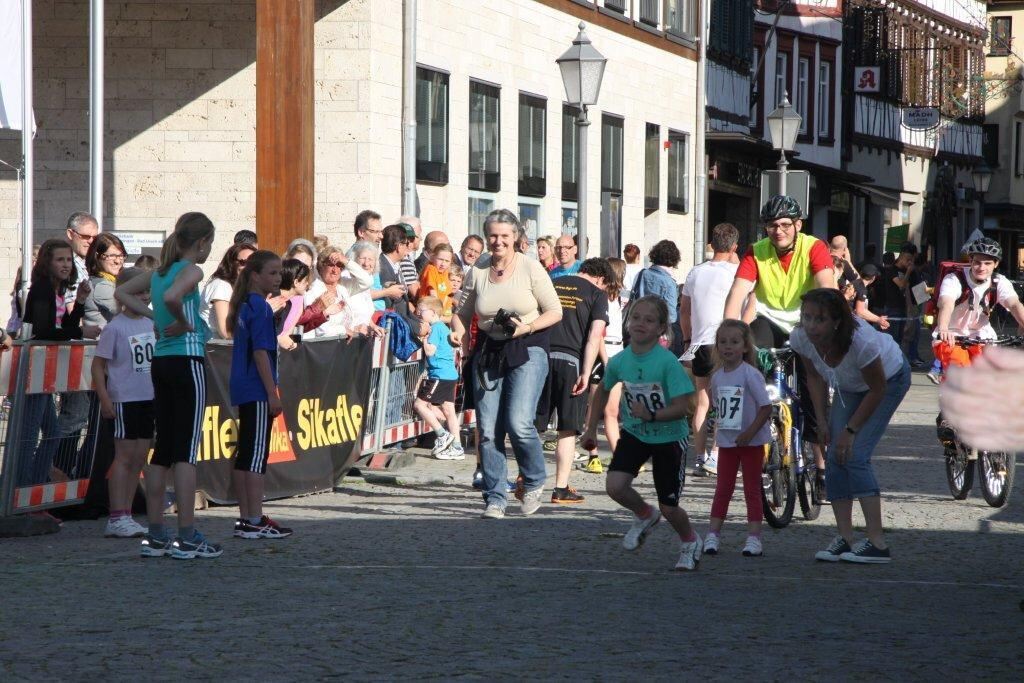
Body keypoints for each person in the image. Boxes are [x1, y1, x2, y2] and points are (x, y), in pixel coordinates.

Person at [115, 211, 222, 560]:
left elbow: (123, 292)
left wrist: (153, 317)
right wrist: (179, 322)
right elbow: (176, 298)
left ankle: (157, 533)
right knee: (186, 451)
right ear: (202, 242)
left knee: (163, 451)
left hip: (162, 362)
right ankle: (187, 535)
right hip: (186, 361)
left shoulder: (158, 273)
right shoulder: (192, 269)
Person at [450, 209, 562, 519]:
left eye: (504, 236)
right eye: (493, 236)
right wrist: (459, 335)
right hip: (489, 350)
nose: (498, 241)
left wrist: (525, 327)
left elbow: (555, 311)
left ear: (515, 238)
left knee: (518, 422)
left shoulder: (531, 268)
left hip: (528, 346)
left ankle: (535, 479)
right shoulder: (478, 270)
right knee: (487, 429)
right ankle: (495, 497)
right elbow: (462, 312)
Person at [580, 296, 701, 571]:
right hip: (636, 433)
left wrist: (653, 415)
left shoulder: (667, 363)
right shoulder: (620, 361)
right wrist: (589, 428)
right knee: (615, 486)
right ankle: (645, 514)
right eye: (636, 318)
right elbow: (604, 389)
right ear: (627, 322)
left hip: (670, 436)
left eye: (648, 320)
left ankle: (690, 541)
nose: (640, 324)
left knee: (670, 507)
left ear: (661, 328)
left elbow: (686, 405)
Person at [790, 288, 909, 564]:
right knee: (833, 456)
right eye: (806, 317)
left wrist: (850, 431)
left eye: (819, 319)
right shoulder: (800, 338)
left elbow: (877, 390)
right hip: (849, 385)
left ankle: (877, 543)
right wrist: (821, 420)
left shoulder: (861, 342)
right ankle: (845, 539)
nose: (811, 325)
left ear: (836, 321)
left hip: (888, 380)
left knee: (855, 455)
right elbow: (814, 376)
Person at [723, 195, 835, 484]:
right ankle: (764, 428)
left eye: (786, 224)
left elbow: (826, 287)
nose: (779, 230)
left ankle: (821, 465)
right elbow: (738, 292)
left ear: (798, 225)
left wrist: (827, 326)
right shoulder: (756, 251)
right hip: (770, 320)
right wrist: (729, 332)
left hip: (806, 321)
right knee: (749, 358)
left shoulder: (814, 248)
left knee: (813, 389)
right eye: (772, 225)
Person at [226, 250, 292, 539]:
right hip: (256, 388)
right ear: (255, 275)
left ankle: (247, 517)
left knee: (245, 455)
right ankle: (253, 517)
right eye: (272, 273)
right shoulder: (261, 308)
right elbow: (261, 353)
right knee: (255, 457)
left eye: (279, 273)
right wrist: (272, 392)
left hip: (242, 385)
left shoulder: (245, 305)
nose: (278, 278)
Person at [537, 257, 611, 504]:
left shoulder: (553, 282)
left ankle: (526, 478)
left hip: (541, 357)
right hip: (571, 362)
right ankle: (560, 489)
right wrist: (586, 372)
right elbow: (594, 337)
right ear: (601, 279)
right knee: (567, 429)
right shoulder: (596, 294)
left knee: (533, 425)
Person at [18, 239, 89, 490]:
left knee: (52, 435)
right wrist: (81, 332)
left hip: (45, 371)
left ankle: (34, 489)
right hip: (33, 368)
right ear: (47, 262)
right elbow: (44, 330)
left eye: (69, 260)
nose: (66, 265)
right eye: (60, 260)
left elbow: (66, 327)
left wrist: (79, 302)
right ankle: (21, 491)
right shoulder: (42, 289)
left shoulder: (57, 290)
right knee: (29, 436)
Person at [92, 267, 154, 539]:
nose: (144, 296)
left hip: (147, 398)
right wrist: (105, 398)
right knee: (124, 458)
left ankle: (126, 514)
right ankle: (116, 516)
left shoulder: (151, 323)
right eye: (137, 290)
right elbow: (98, 366)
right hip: (125, 399)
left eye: (146, 290)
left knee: (140, 456)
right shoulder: (115, 327)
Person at [702, 319, 772, 557]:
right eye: (723, 342)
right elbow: (718, 409)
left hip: (750, 443)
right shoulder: (717, 377)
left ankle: (754, 537)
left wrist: (750, 433)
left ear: (745, 346)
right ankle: (713, 534)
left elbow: (765, 407)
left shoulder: (750, 375)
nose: (727, 346)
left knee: (752, 489)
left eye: (734, 342)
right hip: (728, 442)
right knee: (723, 488)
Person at [680, 222, 739, 477]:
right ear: (735, 246)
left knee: (703, 402)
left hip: (699, 344)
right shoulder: (737, 273)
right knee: (728, 400)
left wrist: (686, 339)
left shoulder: (695, 272)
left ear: (712, 245)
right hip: (726, 342)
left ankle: (700, 457)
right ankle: (716, 456)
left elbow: (684, 310)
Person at [580, 257, 627, 474]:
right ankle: (593, 454)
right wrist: (606, 360)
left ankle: (619, 456)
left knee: (612, 410)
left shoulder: (618, 299)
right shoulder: (600, 298)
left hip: (617, 351)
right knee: (595, 405)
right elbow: (598, 334)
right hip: (604, 353)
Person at [413, 296, 464, 460]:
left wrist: (423, 339)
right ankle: (457, 447)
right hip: (449, 374)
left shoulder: (435, 328)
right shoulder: (444, 327)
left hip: (439, 374)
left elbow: (430, 351)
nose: (419, 314)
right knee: (449, 411)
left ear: (432, 312)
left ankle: (442, 435)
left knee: (419, 405)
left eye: (422, 311)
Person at [303, 245, 373, 339]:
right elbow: (321, 330)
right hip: (322, 347)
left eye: (339, 265)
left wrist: (346, 261)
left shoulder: (343, 286)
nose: (335, 270)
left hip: (342, 347)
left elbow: (367, 281)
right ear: (321, 266)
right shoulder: (314, 291)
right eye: (331, 265)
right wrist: (344, 330)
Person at [630, 240, 683, 351]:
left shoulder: (641, 274)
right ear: (674, 258)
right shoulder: (669, 282)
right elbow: (671, 316)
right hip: (659, 336)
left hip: (638, 329)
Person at [199, 242, 255, 339]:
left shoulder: (240, 288)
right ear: (231, 263)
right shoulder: (221, 285)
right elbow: (226, 332)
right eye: (243, 262)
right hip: (214, 348)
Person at [878, 242, 921, 359]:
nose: (909, 262)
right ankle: (891, 360)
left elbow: (912, 289)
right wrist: (908, 271)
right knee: (893, 338)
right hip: (893, 308)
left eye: (911, 260)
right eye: (907, 259)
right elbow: (901, 285)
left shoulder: (910, 271)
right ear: (901, 256)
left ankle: (901, 358)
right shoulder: (892, 270)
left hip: (904, 308)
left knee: (903, 337)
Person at [82, 233, 129, 330]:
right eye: (112, 256)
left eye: (121, 255)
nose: (118, 261)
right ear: (97, 256)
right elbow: (128, 312)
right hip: (100, 343)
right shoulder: (102, 285)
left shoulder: (109, 280)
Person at [274, 258, 314, 349]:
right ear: (296, 282)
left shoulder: (287, 303)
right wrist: (278, 339)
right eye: (305, 281)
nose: (307, 284)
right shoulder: (274, 300)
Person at [345, 241, 386, 326]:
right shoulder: (347, 280)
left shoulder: (368, 283)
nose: (366, 263)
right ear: (354, 260)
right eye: (363, 258)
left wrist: (373, 326)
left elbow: (364, 316)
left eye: (370, 259)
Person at [418, 243, 456, 319]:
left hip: (444, 313)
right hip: (433, 313)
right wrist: (440, 316)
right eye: (440, 259)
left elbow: (446, 294)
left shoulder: (444, 272)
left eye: (447, 261)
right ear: (433, 257)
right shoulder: (431, 269)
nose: (443, 264)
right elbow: (433, 295)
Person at [397, 216, 422, 296]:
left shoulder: (407, 258)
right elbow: (415, 293)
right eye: (418, 235)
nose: (421, 238)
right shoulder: (404, 260)